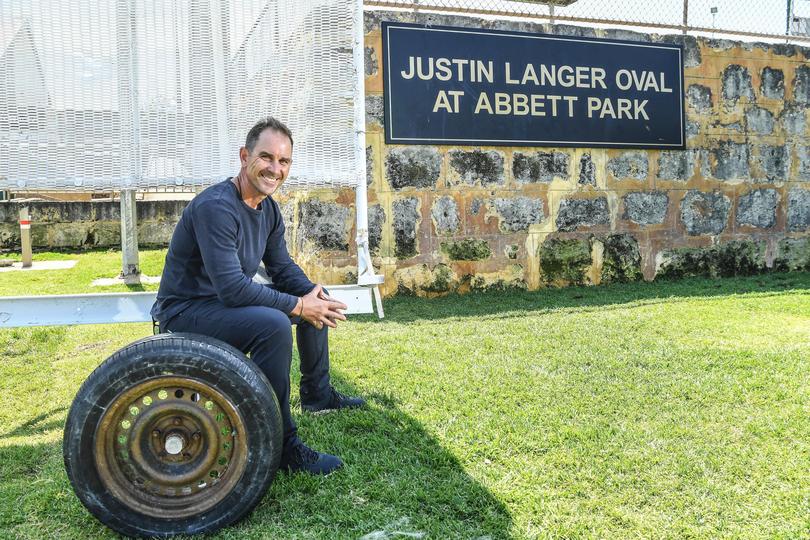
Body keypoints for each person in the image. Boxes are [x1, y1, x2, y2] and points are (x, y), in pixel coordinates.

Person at [151, 117, 365, 475]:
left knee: (315, 296)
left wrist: (312, 295)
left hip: (219, 304)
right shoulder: (215, 207)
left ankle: (318, 395)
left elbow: (281, 268)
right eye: (266, 157)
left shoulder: (268, 209)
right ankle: (281, 445)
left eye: (284, 162)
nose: (275, 169)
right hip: (184, 311)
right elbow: (233, 288)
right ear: (244, 155)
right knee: (273, 324)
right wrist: (298, 305)